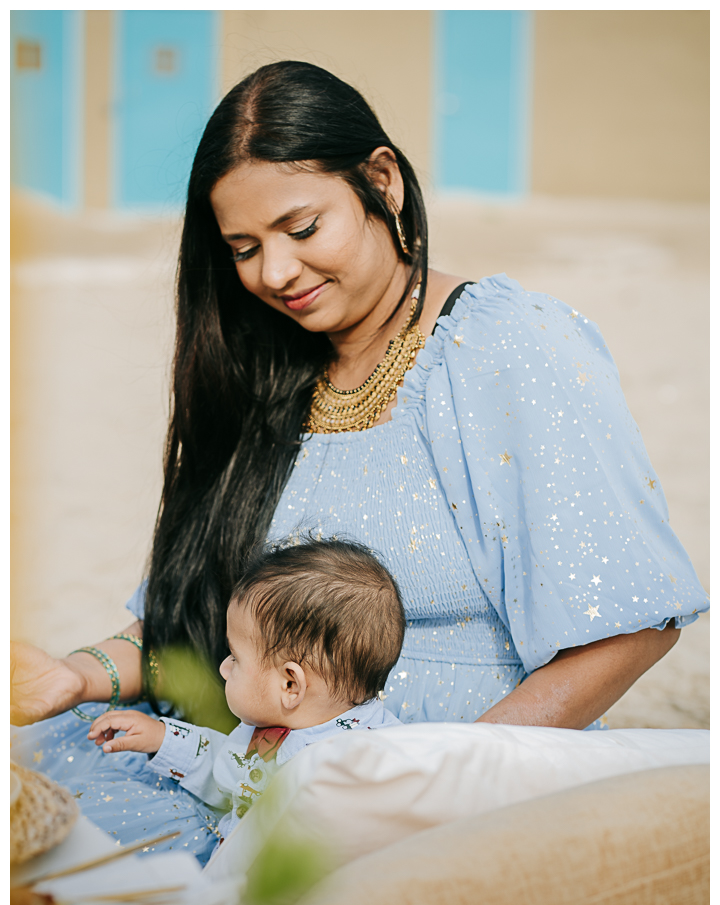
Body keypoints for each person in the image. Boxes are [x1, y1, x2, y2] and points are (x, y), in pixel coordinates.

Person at [11, 61, 708, 861]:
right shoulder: (268, 373)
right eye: (244, 248)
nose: (275, 274)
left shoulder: (501, 345)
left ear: (383, 183)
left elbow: (631, 626)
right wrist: (75, 673)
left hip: (432, 817)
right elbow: (199, 621)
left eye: (303, 230)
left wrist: (431, 788)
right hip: (239, 784)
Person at [83, 539, 403, 856]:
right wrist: (165, 739)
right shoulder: (283, 722)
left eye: (235, 657)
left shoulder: (363, 769)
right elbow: (232, 772)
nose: (223, 667)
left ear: (290, 685)